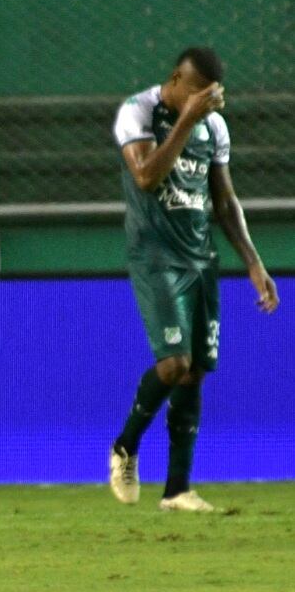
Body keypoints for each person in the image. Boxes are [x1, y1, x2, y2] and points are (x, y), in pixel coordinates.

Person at [109, 47, 279, 512]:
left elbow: (224, 201)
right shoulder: (137, 111)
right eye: (198, 92)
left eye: (212, 95)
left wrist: (253, 262)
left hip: (201, 259)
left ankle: (178, 489)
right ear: (176, 79)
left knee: (197, 371)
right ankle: (125, 446)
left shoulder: (214, 127)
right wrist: (186, 120)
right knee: (173, 364)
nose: (206, 102)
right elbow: (145, 176)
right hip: (156, 256)